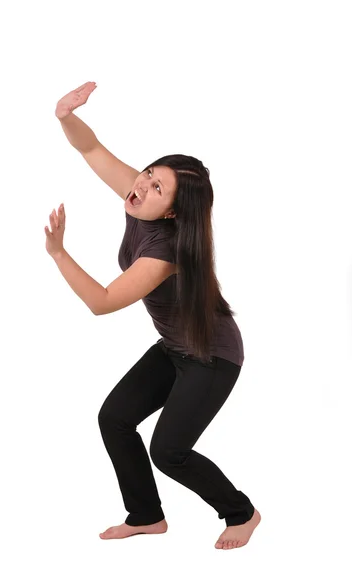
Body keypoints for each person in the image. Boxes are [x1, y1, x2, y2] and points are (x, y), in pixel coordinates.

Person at [53, 81, 261, 550]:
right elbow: (90, 147)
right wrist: (65, 115)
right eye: (148, 174)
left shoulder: (165, 250)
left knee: (168, 451)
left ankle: (241, 512)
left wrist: (59, 253)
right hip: (175, 347)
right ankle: (146, 516)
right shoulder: (140, 200)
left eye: (156, 186)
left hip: (212, 355)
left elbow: (103, 301)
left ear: (172, 213)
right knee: (116, 418)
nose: (141, 185)